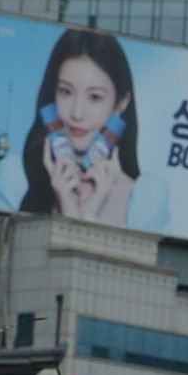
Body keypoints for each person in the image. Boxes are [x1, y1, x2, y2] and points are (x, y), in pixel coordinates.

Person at [17, 22, 142, 227]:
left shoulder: (146, 198)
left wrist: (90, 213)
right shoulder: (14, 182)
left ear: (121, 103)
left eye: (94, 97)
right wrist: (67, 205)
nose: (76, 113)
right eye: (65, 92)